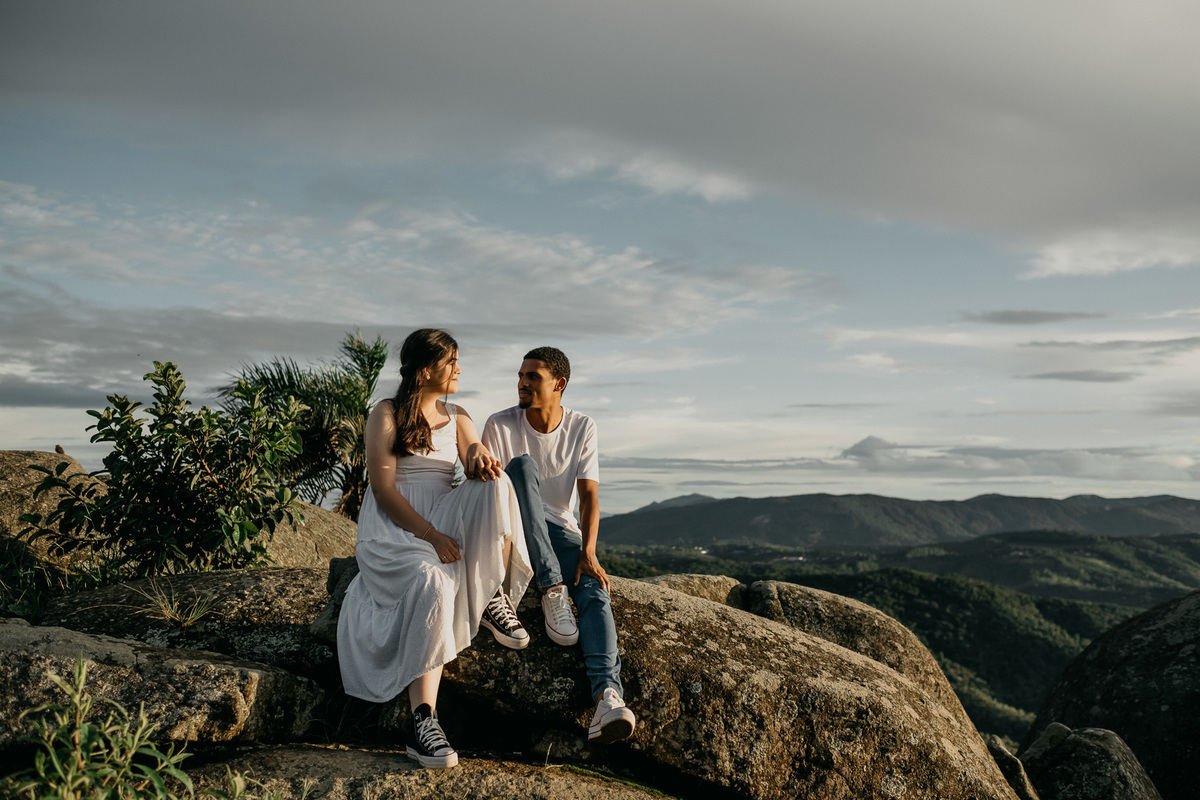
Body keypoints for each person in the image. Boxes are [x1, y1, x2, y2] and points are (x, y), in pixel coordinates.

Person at [337, 329, 534, 769]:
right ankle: (424, 720)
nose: (459, 369)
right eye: (452, 363)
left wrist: (481, 454)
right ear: (427, 370)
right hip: (395, 530)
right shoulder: (385, 415)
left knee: (497, 481)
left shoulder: (458, 414)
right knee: (433, 580)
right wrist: (431, 536)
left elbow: (473, 452)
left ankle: (492, 594)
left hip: (442, 514)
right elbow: (384, 491)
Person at [482, 346, 636, 744]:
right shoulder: (499, 425)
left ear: (559, 384)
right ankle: (552, 587)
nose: (522, 382)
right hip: (512, 528)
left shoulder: (583, 427)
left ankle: (606, 696)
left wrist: (588, 553)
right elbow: (489, 495)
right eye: (520, 375)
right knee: (522, 466)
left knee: (594, 588)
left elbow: (588, 499)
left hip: (561, 532)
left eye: (533, 376)